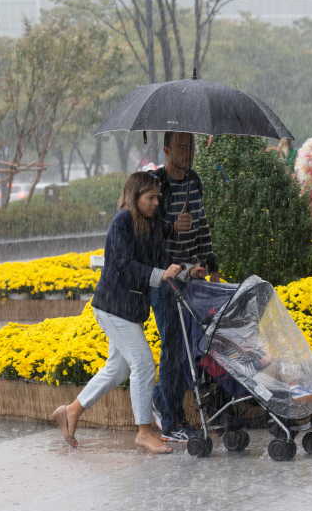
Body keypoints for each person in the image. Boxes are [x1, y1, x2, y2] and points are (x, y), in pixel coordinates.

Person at [51, 172, 203, 454]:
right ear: (135, 197)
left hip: (129, 310)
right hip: (112, 307)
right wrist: (162, 273)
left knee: (118, 368)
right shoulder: (122, 220)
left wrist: (186, 272)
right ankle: (144, 432)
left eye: (158, 196)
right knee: (144, 363)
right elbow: (124, 265)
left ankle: (70, 411)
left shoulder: (151, 222)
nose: (157, 202)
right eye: (151, 197)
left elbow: (161, 262)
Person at [151, 131, 220, 442]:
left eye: (190, 146)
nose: (188, 152)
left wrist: (212, 269)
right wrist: (170, 227)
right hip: (163, 279)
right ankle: (172, 423)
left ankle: (159, 398)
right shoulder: (155, 185)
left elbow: (202, 226)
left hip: (191, 277)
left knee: (190, 348)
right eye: (181, 147)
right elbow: (144, 234)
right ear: (166, 150)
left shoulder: (194, 181)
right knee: (173, 349)